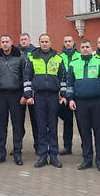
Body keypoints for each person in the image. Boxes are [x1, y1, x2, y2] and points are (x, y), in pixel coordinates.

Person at [66, 39, 100, 172]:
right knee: (84, 132)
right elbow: (70, 83)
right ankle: (87, 159)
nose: (85, 49)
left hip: (98, 102)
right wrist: (70, 99)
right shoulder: (73, 64)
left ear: (91, 48)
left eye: (87, 47)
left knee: (99, 132)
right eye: (83, 47)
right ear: (79, 49)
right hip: (80, 103)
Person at [24, 33, 67, 168]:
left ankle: (53, 155)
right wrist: (28, 95)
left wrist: (64, 94)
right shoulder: (32, 58)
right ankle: (43, 155)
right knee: (41, 126)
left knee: (53, 126)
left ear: (50, 42)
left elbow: (63, 78)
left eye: (46, 41)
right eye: (42, 41)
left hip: (54, 96)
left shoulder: (58, 58)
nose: (44, 44)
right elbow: (27, 78)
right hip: (39, 96)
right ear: (39, 42)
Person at [0, 35, 26, 165]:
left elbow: (24, 77)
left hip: (16, 96)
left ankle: (17, 152)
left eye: (7, 42)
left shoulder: (20, 59)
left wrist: (24, 95)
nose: (5, 44)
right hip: (0, 96)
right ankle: (1, 153)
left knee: (17, 125)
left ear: (11, 43)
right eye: (2, 42)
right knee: (1, 126)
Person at [58, 35, 80, 155]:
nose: (67, 43)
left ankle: (85, 145)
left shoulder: (80, 56)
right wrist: (61, 94)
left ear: (73, 43)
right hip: (64, 94)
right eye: (65, 41)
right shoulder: (59, 57)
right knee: (67, 121)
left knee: (82, 122)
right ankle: (67, 146)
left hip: (78, 93)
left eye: (69, 41)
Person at [18, 32, 39, 155]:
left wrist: (30, 94)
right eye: (21, 39)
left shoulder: (36, 52)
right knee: (18, 122)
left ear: (29, 40)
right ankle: (18, 146)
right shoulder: (15, 52)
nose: (23, 41)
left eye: (25, 39)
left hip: (33, 93)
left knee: (35, 121)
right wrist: (22, 94)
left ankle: (38, 146)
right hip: (19, 93)